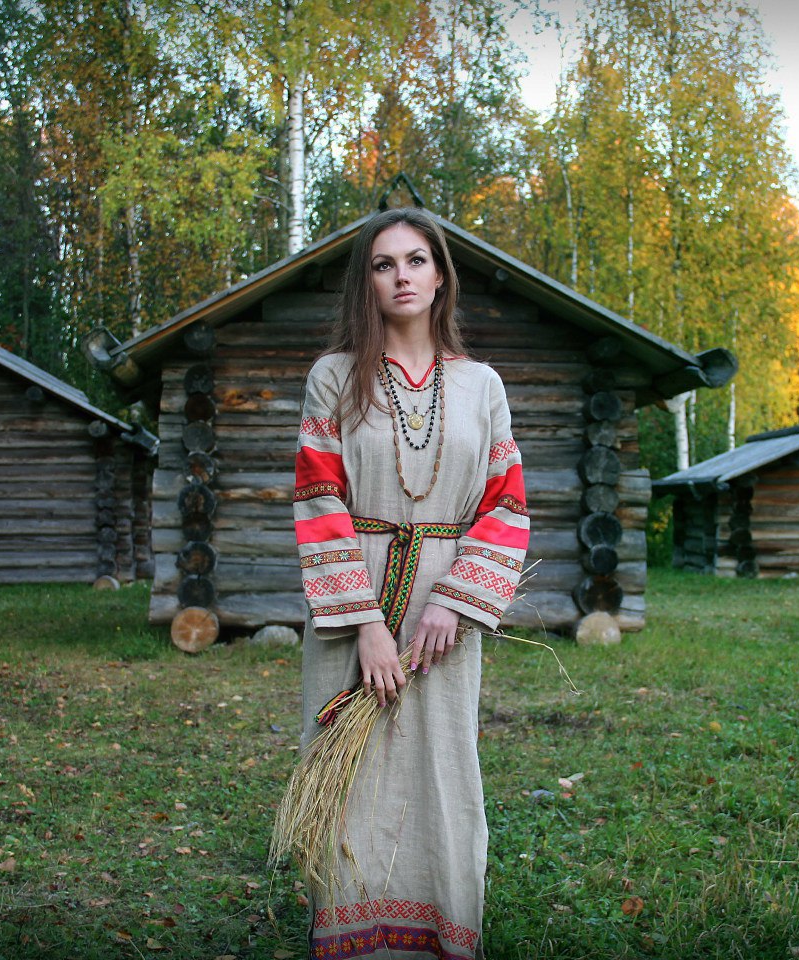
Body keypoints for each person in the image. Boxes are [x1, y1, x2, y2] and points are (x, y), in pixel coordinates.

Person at [291, 207, 529, 957]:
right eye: (384, 263)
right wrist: (364, 626)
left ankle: (441, 934)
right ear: (367, 281)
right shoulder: (334, 376)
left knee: (441, 766)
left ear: (440, 274)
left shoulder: (482, 385)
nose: (403, 276)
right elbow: (318, 495)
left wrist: (453, 603)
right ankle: (354, 934)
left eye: (417, 260)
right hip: (351, 597)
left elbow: (507, 502)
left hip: (444, 608)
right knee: (351, 771)